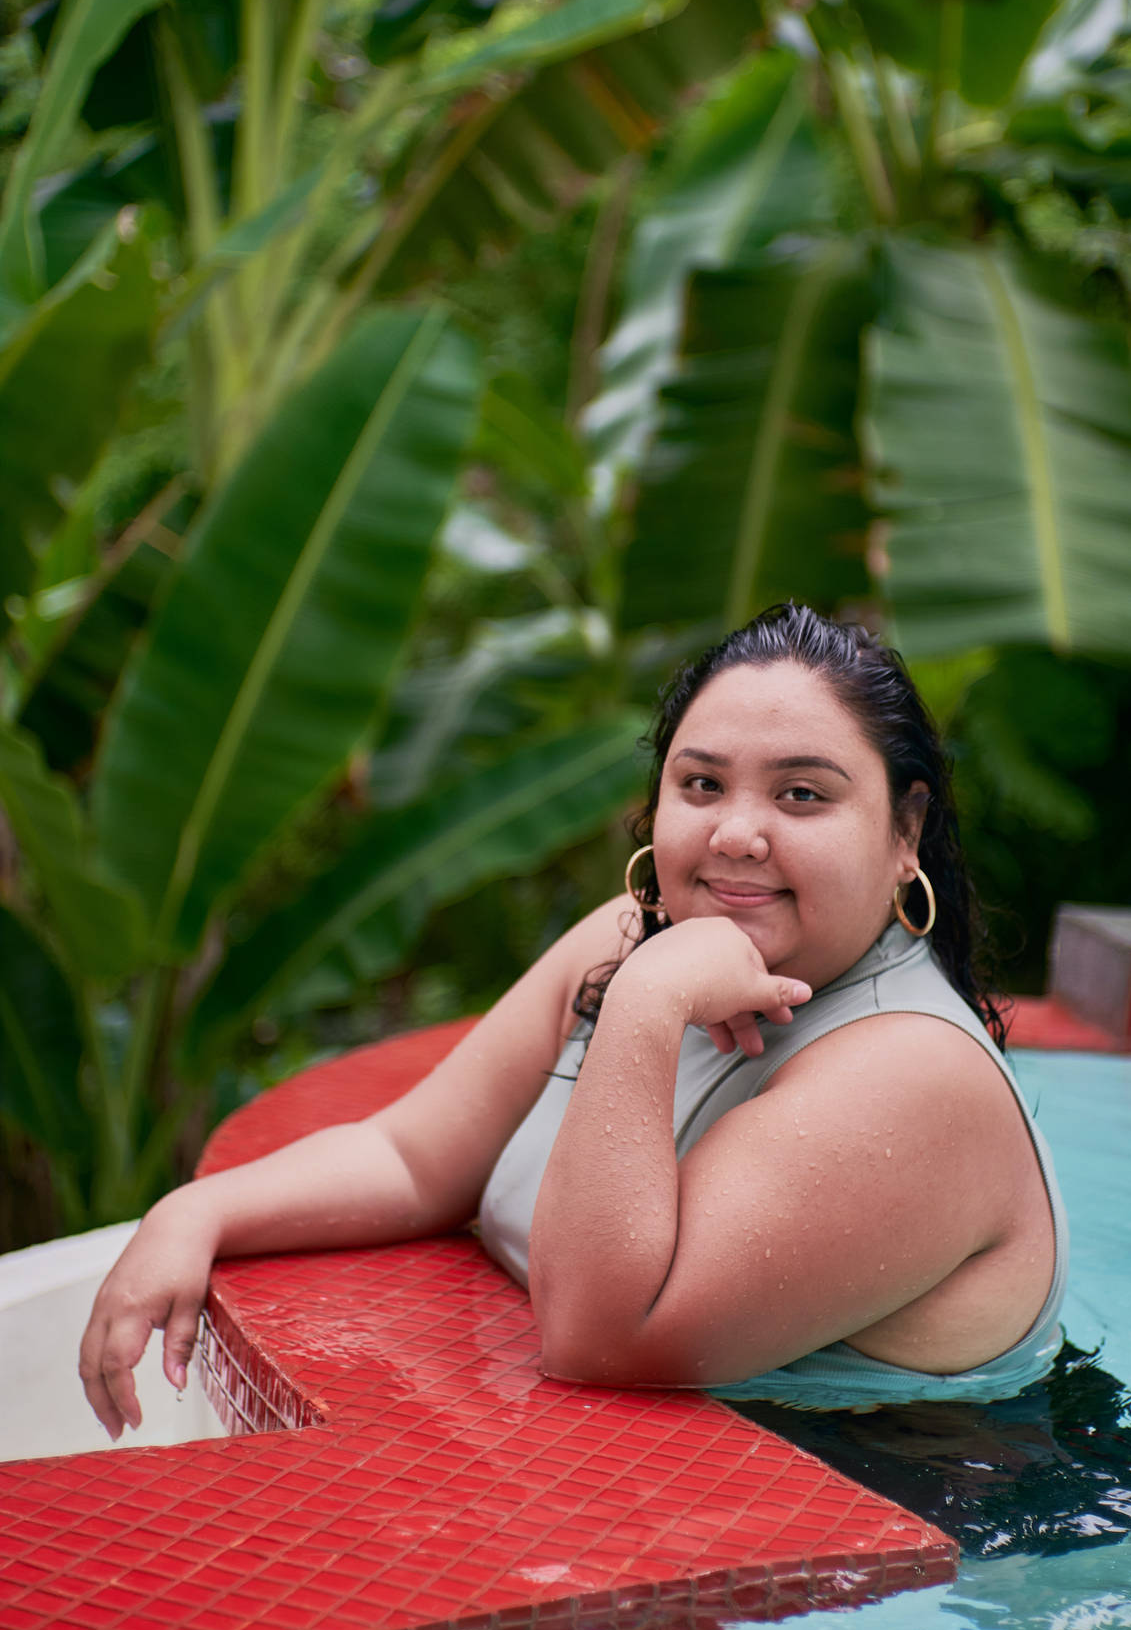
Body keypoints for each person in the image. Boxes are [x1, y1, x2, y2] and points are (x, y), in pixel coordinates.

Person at [80, 603, 1067, 1439]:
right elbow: (415, 1157)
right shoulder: (629, 937)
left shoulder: (908, 1075)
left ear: (903, 835)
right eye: (700, 784)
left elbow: (598, 1341)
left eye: (801, 794)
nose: (732, 832)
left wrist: (646, 1001)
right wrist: (193, 1213)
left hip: (904, 1540)